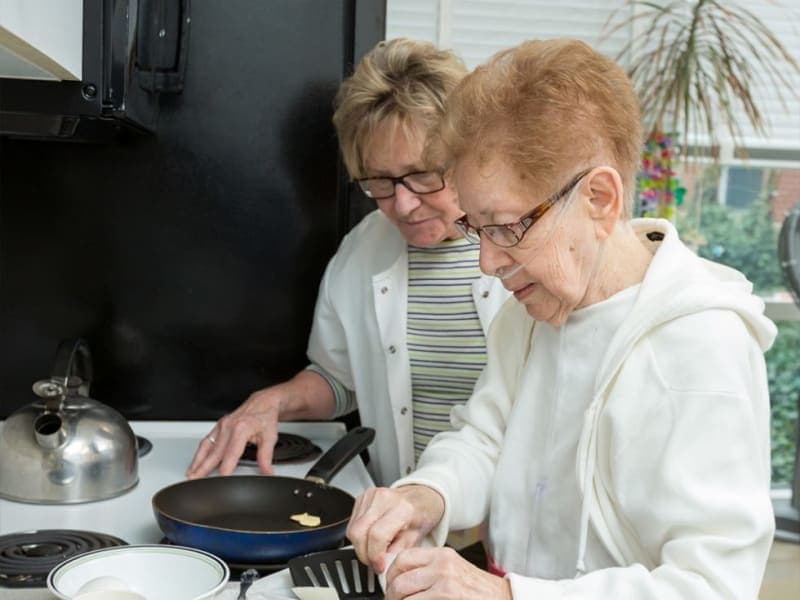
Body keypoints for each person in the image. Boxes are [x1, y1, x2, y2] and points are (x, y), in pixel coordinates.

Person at [346, 38, 777, 599]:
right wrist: (427, 494)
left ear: (599, 197)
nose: (487, 261)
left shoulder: (701, 346)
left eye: (505, 226)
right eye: (476, 228)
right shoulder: (528, 311)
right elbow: (484, 436)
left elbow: (711, 586)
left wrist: (505, 597)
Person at [187, 38, 510, 488]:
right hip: (400, 518)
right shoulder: (364, 249)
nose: (403, 204)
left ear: (466, 153)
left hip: (506, 530)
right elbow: (339, 381)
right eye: (380, 181)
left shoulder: (522, 248)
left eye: (422, 175)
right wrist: (272, 402)